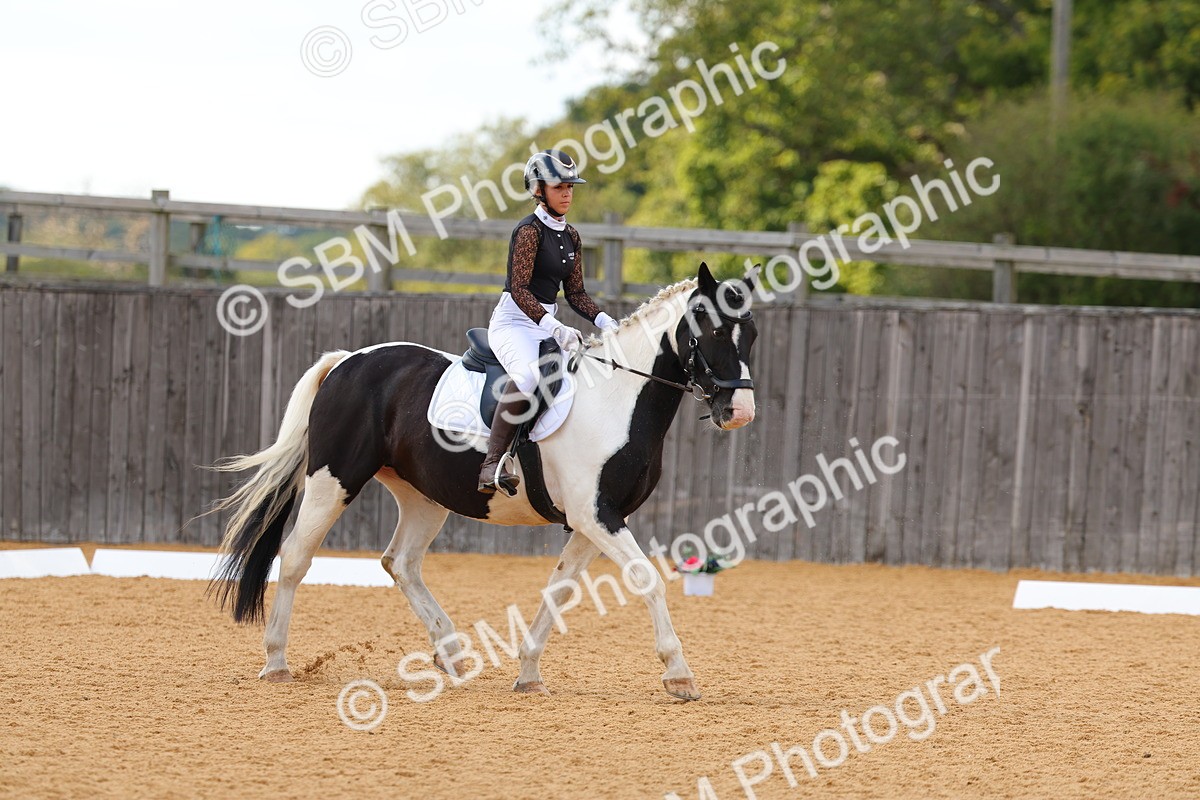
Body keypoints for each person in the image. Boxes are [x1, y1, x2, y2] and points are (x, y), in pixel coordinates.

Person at [477, 149, 620, 494]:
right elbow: (519, 289)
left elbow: (576, 293)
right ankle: (491, 463)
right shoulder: (528, 232)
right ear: (538, 189)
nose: (568, 193)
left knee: (577, 381)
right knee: (527, 375)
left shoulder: (571, 235)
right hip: (514, 322)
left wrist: (604, 320)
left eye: (571, 187)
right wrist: (553, 326)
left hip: (543, 324)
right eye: (560, 187)